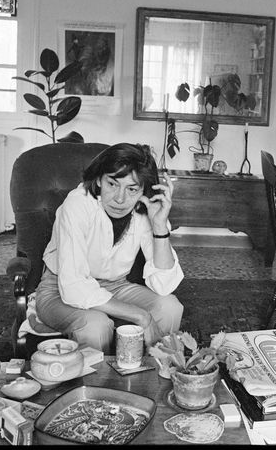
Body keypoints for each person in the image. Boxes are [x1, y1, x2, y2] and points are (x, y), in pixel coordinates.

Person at [27, 143, 184, 353]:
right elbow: (73, 286)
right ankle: (96, 384)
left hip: (116, 285)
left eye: (132, 189)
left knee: (170, 308)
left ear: (144, 191)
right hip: (59, 288)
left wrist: (159, 226)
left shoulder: (144, 210)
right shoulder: (78, 203)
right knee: (96, 325)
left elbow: (164, 285)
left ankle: (151, 376)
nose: (120, 198)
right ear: (99, 179)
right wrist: (141, 316)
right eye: (112, 184)